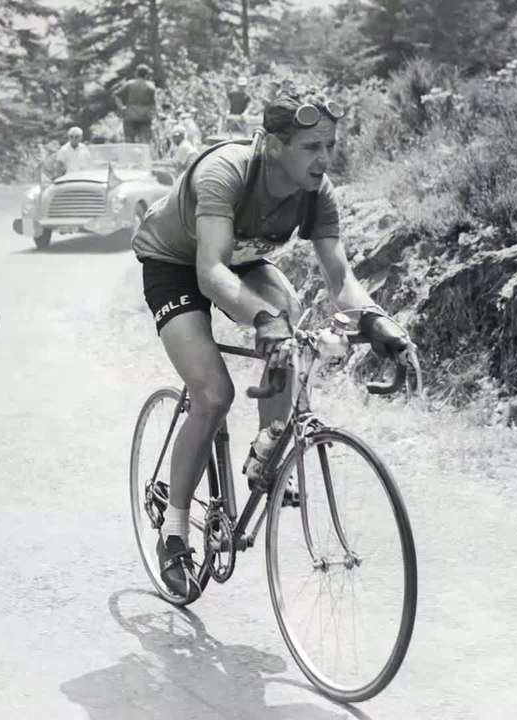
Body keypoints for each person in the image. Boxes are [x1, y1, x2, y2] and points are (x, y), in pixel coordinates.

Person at [130, 88, 414, 600]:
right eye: (311, 147)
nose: (324, 158)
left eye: (329, 145)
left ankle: (267, 444)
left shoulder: (316, 190)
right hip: (177, 264)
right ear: (273, 146)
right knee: (214, 394)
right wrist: (261, 320)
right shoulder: (227, 172)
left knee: (292, 318)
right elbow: (210, 270)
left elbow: (338, 276)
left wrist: (376, 322)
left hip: (238, 260)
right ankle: (173, 532)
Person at [112, 64, 158, 145]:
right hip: (145, 115)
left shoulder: (129, 84)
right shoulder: (151, 86)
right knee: (145, 141)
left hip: (130, 114)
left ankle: (130, 156)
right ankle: (143, 157)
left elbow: (117, 95)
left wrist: (121, 108)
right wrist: (156, 114)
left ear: (136, 73)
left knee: (129, 140)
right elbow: (153, 103)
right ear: (147, 74)